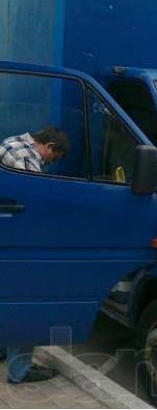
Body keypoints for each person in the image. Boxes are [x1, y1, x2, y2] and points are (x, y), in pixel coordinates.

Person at [0, 126, 70, 384]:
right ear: (49, 146)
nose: (50, 162)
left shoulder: (12, 141)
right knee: (26, 299)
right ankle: (20, 371)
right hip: (14, 238)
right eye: (53, 158)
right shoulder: (27, 158)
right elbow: (34, 204)